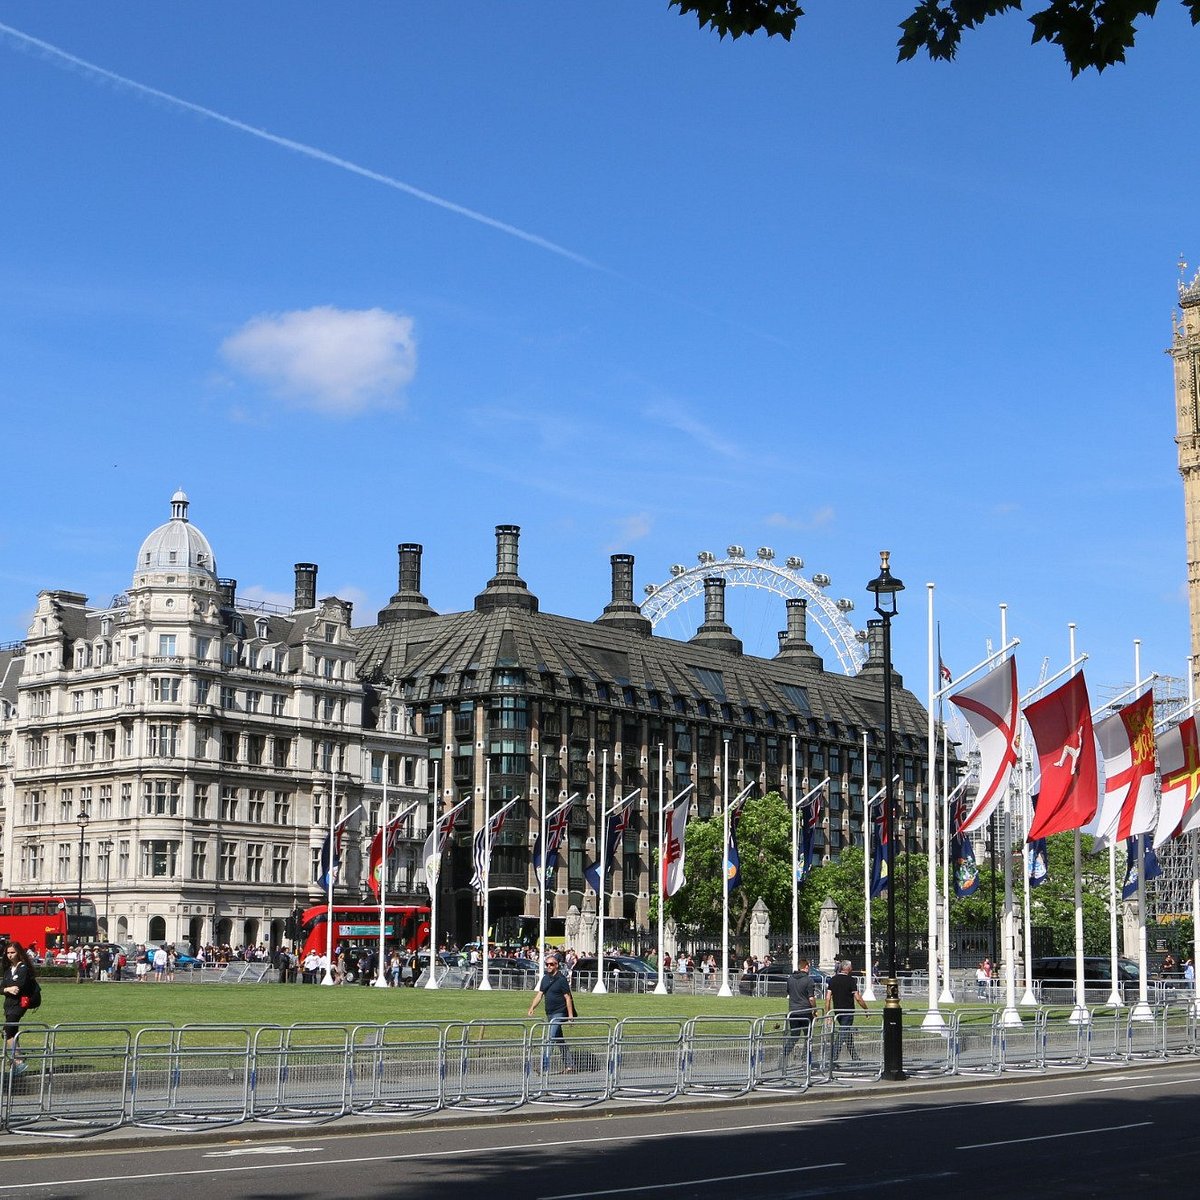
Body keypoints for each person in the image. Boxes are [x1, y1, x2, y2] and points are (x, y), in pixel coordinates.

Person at [527, 954, 576, 1072]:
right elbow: (540, 994)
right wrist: (532, 1007)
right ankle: (570, 1065)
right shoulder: (545, 978)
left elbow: (568, 998)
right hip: (549, 1012)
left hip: (559, 1012)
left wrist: (570, 1016)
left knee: (550, 1038)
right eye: (547, 964)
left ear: (556, 965)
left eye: (551, 964)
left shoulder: (561, 979)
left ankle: (544, 1066)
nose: (549, 966)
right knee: (559, 1039)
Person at [2, 940, 38, 1078]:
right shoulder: (7, 969)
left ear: (19, 953)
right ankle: (16, 1064)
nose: (10, 955)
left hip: (19, 1005)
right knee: (12, 1032)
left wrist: (8, 988)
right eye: (8, 953)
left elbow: (19, 987)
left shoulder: (23, 968)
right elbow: (5, 987)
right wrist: (7, 988)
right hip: (9, 1005)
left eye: (13, 952)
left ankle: (18, 1060)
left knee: (7, 1031)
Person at [825, 959, 868, 1064]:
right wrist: (866, 1009)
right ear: (848, 968)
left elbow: (828, 998)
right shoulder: (851, 980)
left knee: (847, 1034)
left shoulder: (833, 980)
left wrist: (828, 1012)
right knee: (843, 1034)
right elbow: (857, 997)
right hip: (847, 1011)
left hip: (837, 1011)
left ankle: (854, 1057)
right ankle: (832, 1058)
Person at [782, 957, 818, 1067]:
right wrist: (814, 1009)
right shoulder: (808, 980)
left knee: (794, 1035)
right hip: (805, 1011)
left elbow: (789, 992)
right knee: (808, 1036)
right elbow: (811, 998)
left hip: (793, 1011)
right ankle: (805, 1058)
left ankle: (784, 1055)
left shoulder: (790, 979)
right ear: (806, 967)